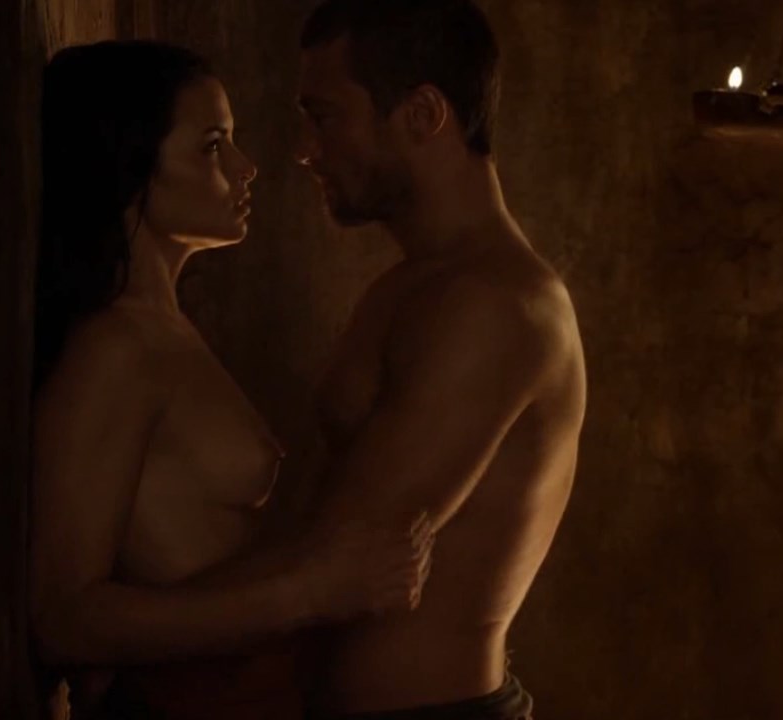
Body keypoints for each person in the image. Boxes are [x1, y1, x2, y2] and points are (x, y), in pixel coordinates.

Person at [29, 40, 433, 719]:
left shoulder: (165, 333)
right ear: (132, 162)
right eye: (213, 147)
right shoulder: (114, 350)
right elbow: (62, 618)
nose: (246, 169)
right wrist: (312, 589)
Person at [293, 1, 588, 717]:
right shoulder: (411, 288)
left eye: (325, 117)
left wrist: (124, 625)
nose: (308, 150)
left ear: (423, 114)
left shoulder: (496, 305)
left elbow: (340, 557)